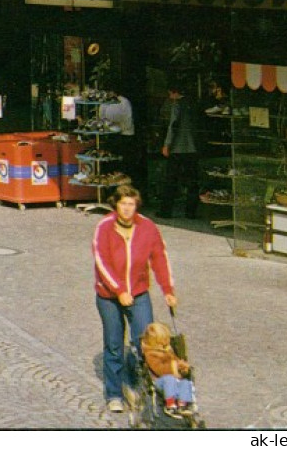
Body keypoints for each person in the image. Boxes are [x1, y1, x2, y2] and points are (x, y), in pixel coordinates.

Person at [92, 184, 177, 414]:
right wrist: (119, 290)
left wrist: (168, 289)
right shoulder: (104, 227)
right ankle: (114, 394)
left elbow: (160, 258)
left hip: (138, 293)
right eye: (123, 203)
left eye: (131, 204)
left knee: (146, 343)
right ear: (115, 205)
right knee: (114, 345)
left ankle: (143, 385)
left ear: (136, 206)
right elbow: (102, 262)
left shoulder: (148, 227)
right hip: (109, 296)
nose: (127, 209)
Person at [158, 84, 199, 220]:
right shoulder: (192, 105)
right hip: (192, 147)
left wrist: (166, 144)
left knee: (171, 180)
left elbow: (172, 126)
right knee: (192, 181)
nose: (170, 97)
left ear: (174, 93)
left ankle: (166, 211)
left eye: (170, 94)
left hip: (177, 148)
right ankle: (191, 212)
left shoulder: (177, 105)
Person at [140, 321, 196, 415]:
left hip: (175, 378)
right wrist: (174, 366)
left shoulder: (168, 351)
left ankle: (183, 404)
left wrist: (182, 367)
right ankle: (170, 404)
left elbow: (176, 361)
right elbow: (159, 369)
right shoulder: (151, 354)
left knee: (185, 383)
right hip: (160, 381)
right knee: (169, 380)